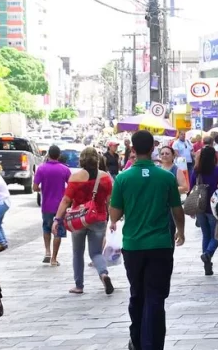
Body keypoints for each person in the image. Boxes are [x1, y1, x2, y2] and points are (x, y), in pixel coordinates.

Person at [109, 130, 185, 350]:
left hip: (133, 245)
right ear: (153, 149)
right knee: (155, 296)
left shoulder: (123, 179)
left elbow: (114, 215)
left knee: (137, 293)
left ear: (132, 150)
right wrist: (180, 231)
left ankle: (137, 339)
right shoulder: (166, 177)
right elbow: (177, 209)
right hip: (160, 245)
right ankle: (152, 344)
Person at [54, 147, 114, 295]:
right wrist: (113, 219)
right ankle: (103, 274)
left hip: (78, 220)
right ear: (97, 159)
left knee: (77, 252)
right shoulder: (105, 177)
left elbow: (66, 200)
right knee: (96, 253)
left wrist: (57, 219)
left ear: (81, 159)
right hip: (98, 217)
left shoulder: (75, 177)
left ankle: (79, 285)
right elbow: (109, 201)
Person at [34, 145, 72, 267]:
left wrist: (43, 189)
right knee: (58, 232)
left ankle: (47, 251)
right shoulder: (65, 169)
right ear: (59, 155)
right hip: (60, 206)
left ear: (48, 155)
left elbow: (34, 187)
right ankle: (54, 259)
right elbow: (71, 187)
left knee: (46, 228)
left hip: (46, 205)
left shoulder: (41, 169)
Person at [190, 146, 218, 276]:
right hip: (213, 207)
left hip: (200, 207)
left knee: (206, 235)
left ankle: (207, 262)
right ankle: (208, 254)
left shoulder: (196, 171)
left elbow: (191, 189)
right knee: (217, 235)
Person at [159, 145, 189, 248]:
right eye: (162, 153)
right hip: (158, 207)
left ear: (173, 156)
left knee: (169, 233)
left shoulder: (177, 170)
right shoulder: (157, 169)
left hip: (171, 207)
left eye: (167, 153)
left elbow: (185, 187)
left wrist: (170, 190)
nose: (164, 156)